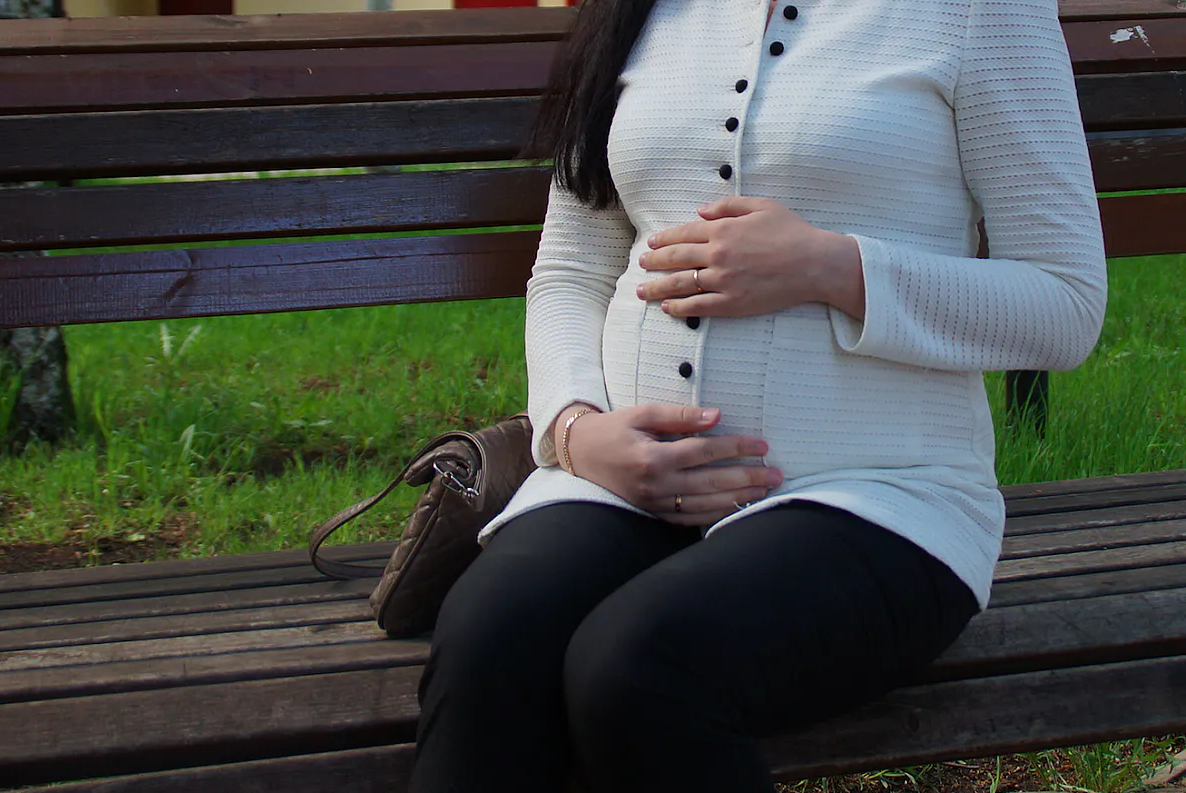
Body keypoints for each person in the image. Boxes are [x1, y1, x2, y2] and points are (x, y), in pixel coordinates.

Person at [409, 0, 1107, 789]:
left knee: (640, 664)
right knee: (491, 639)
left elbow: (1066, 303)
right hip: (618, 487)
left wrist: (833, 267)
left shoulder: (980, 11)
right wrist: (575, 429)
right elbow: (570, 269)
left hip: (881, 497)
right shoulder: (638, 9)